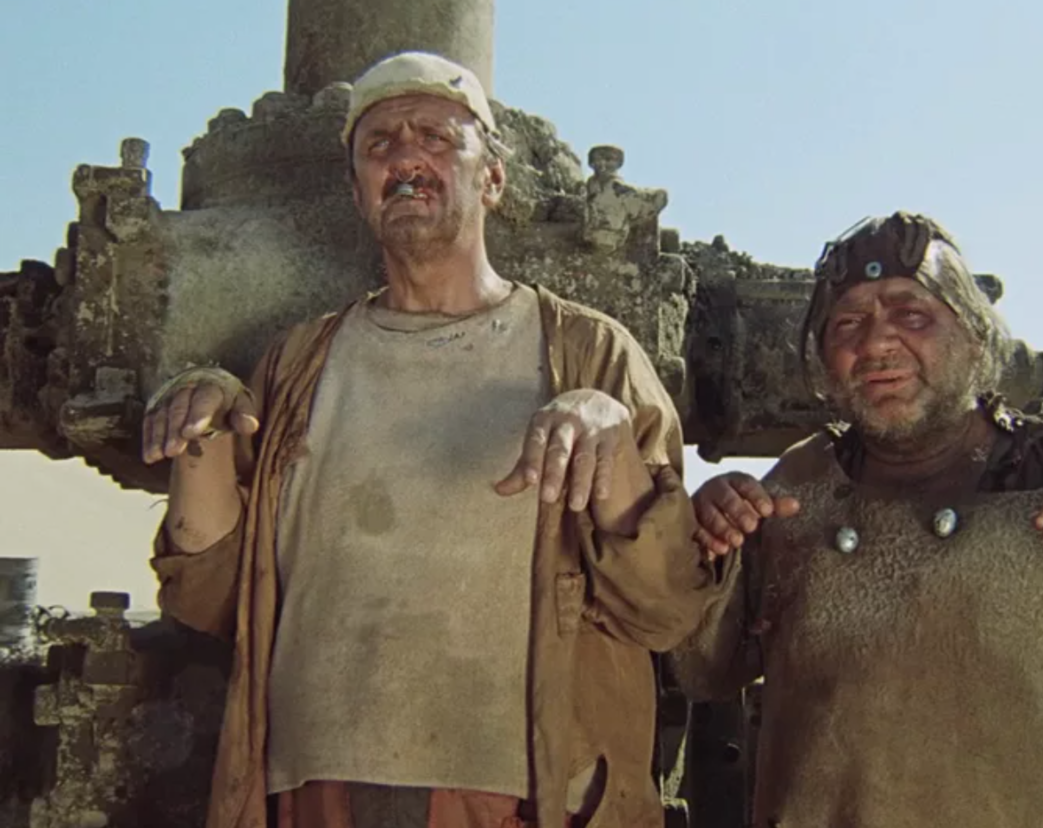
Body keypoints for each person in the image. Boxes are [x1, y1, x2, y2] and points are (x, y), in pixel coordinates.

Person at [142, 51, 713, 828]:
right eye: (379, 144)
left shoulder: (589, 353)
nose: (405, 156)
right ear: (358, 191)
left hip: (517, 800)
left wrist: (609, 434)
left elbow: (667, 609)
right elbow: (215, 600)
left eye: (436, 137)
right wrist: (201, 422)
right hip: (318, 793)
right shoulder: (299, 363)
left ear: (493, 178)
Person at [671, 212, 1043, 828]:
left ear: (974, 336)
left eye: (912, 314)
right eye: (848, 323)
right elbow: (707, 669)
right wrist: (710, 540)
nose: (876, 344)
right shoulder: (802, 479)